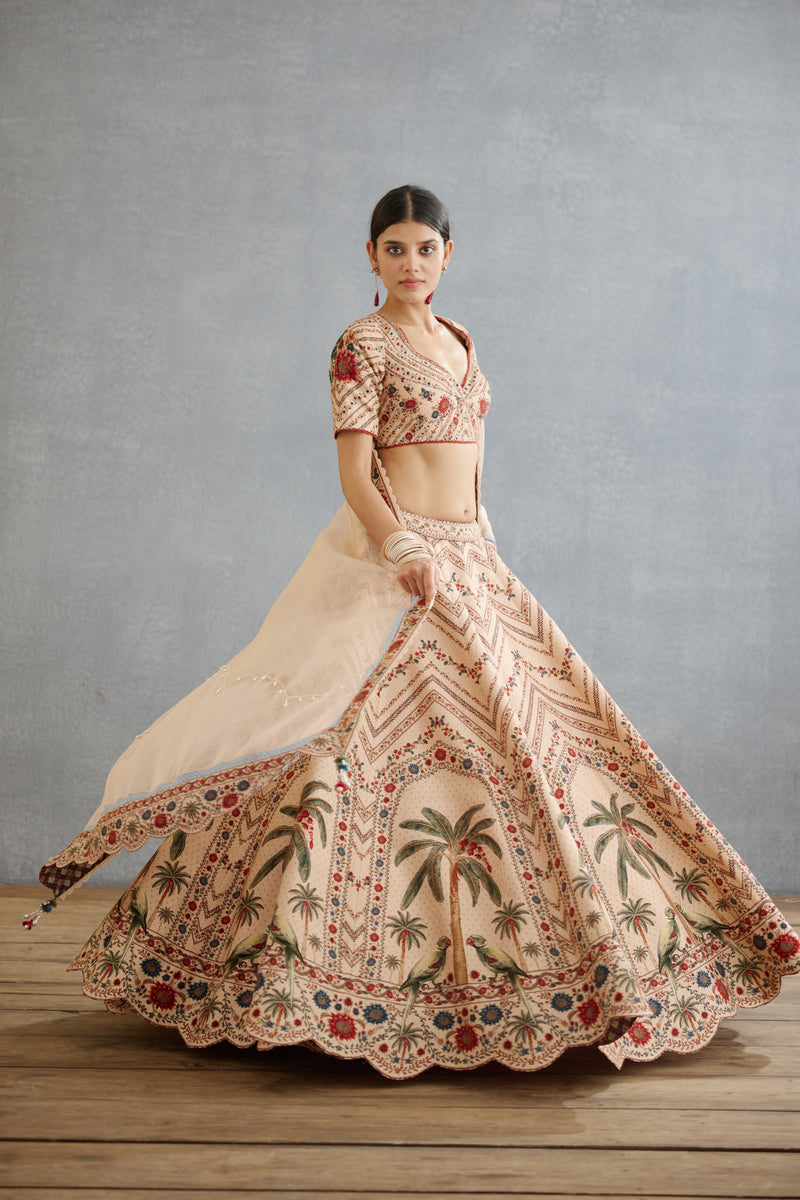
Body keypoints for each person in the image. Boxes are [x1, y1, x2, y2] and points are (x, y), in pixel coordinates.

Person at [30, 185, 798, 1079]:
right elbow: (357, 472)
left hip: (474, 559)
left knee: (542, 740)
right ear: (370, 257)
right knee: (346, 745)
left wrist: (480, 549)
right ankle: (295, 978)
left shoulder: (462, 341)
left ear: (447, 254)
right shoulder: (361, 345)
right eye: (393, 249)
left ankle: (575, 973)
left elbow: (471, 468)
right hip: (401, 567)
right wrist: (402, 546)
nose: (410, 264)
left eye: (425, 248)